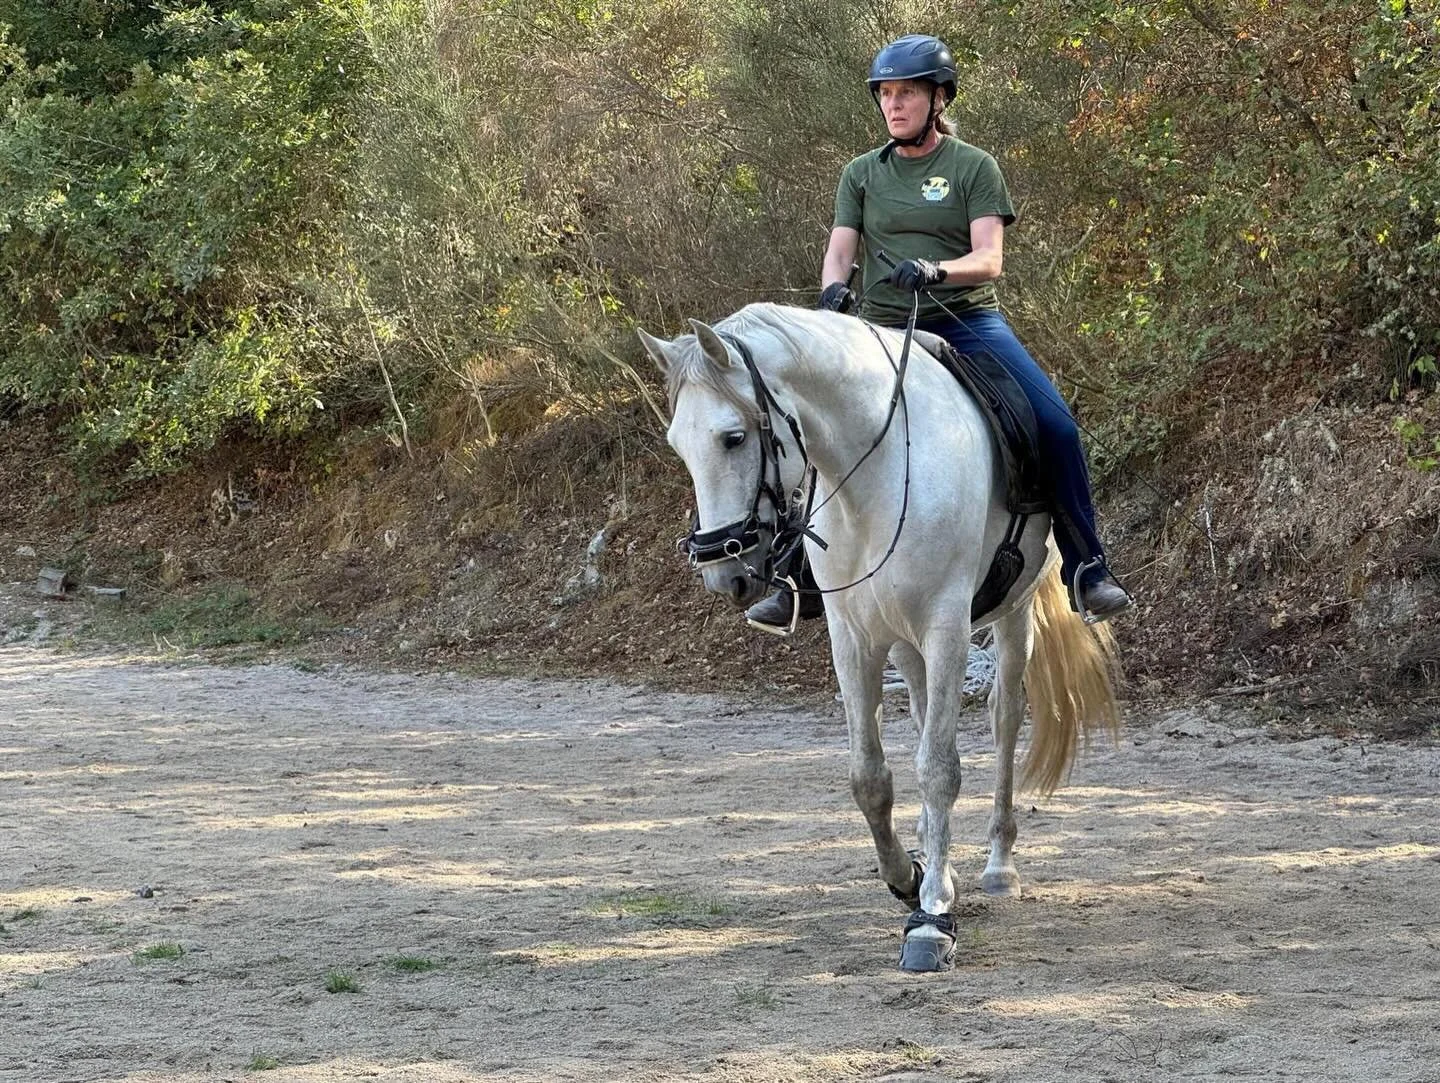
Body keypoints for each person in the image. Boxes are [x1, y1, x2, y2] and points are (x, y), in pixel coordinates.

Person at [746, 32, 1133, 633]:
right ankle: (798, 576)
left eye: (908, 93)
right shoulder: (861, 174)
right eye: (886, 94)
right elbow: (840, 251)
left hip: (968, 322)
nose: (894, 104)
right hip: (879, 328)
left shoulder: (973, 167)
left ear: (938, 99)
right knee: (815, 430)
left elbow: (990, 259)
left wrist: (936, 270)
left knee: (1056, 425)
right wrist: (832, 294)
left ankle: (1087, 569)